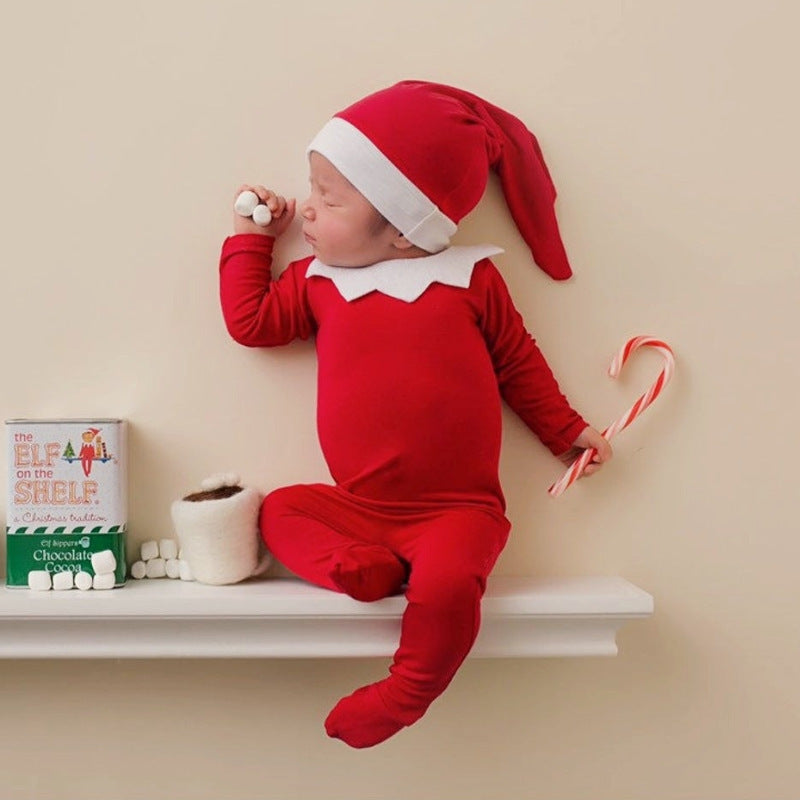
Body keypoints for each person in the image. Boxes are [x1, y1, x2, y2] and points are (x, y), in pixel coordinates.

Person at [218, 81, 612, 748]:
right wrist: (252, 240)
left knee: (453, 585)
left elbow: (517, 365)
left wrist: (567, 432)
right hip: (361, 510)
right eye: (310, 191)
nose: (307, 211)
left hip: (457, 511)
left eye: (329, 199)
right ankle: (358, 566)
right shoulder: (317, 280)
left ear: (404, 230)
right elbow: (251, 323)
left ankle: (406, 693)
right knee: (279, 512)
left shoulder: (470, 280)